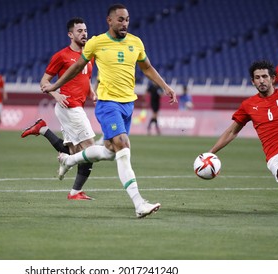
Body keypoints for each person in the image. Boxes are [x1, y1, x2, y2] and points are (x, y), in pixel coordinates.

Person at [42, 3, 177, 218]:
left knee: (109, 151)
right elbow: (76, 67)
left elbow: (147, 67)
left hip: (128, 105)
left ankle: (69, 160)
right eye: (120, 19)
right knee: (123, 147)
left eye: (127, 19)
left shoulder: (136, 42)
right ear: (110, 21)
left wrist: (165, 86)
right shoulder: (96, 42)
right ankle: (139, 203)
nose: (125, 23)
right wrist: (55, 87)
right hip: (107, 104)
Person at [21, 17, 97, 200]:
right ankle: (74, 190)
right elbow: (44, 82)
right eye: (79, 31)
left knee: (74, 152)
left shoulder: (89, 55)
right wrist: (56, 94)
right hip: (69, 107)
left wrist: (92, 94)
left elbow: (85, 80)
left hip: (77, 106)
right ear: (70, 34)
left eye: (85, 30)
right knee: (91, 150)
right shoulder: (61, 56)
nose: (84, 33)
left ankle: (43, 129)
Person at [208, 60, 278, 200]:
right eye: (257, 77)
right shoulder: (248, 105)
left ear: (273, 78)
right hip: (277, 156)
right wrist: (210, 153)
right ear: (253, 82)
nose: (261, 80)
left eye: (265, 76)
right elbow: (232, 131)